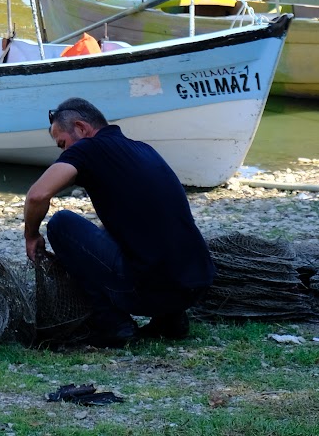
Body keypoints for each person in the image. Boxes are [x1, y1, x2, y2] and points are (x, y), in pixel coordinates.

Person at [23, 97, 216, 346]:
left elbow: (37, 195)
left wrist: (31, 234)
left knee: (62, 224)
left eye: (63, 144)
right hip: (196, 284)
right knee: (125, 230)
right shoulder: (143, 149)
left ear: (81, 128)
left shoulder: (87, 149)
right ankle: (170, 320)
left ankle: (113, 325)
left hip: (152, 292)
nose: (64, 153)